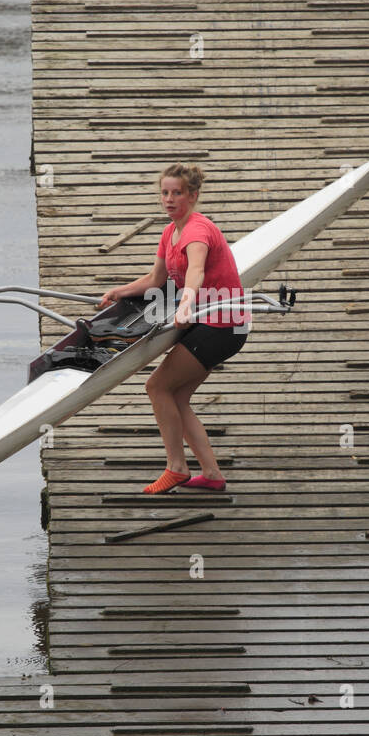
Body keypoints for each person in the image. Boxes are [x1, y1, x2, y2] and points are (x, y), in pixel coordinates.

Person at [99, 163, 249, 493]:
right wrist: (119, 291)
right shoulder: (170, 231)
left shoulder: (196, 231)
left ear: (192, 196)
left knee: (157, 388)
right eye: (164, 193)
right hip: (208, 322)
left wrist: (185, 304)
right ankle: (211, 475)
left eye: (177, 193)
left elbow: (195, 271)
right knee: (177, 396)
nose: (169, 199)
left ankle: (177, 467)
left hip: (222, 325)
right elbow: (156, 280)